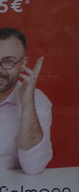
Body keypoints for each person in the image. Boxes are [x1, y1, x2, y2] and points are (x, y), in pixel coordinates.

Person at [0, 27, 52, 175]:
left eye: (8, 61)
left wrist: (27, 105)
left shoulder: (37, 99)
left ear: (23, 64)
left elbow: (34, 167)